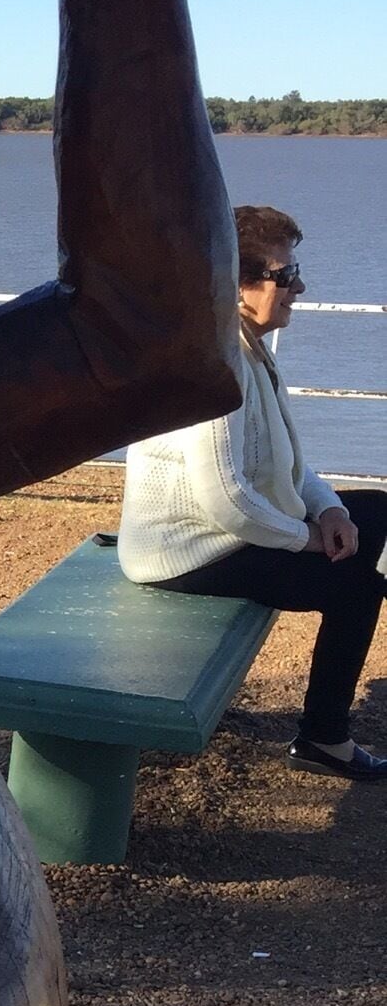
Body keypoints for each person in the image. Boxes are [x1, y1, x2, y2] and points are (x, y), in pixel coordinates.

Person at [119, 203, 387, 780]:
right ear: (237, 286)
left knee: (377, 516)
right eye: (284, 275)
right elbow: (226, 502)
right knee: (356, 584)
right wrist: (306, 540)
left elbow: (287, 464)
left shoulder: (243, 345)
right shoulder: (214, 363)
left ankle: (325, 732)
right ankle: (325, 740)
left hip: (226, 535)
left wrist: (332, 509)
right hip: (188, 554)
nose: (298, 286)